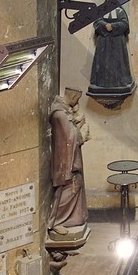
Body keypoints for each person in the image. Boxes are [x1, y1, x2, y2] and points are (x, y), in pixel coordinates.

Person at [46, 90, 89, 244]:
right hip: (65, 161)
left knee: (74, 186)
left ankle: (70, 219)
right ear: (72, 97)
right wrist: (81, 127)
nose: (77, 103)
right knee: (67, 190)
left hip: (69, 159)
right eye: (76, 99)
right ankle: (57, 221)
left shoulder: (63, 113)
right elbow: (70, 137)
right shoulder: (60, 115)